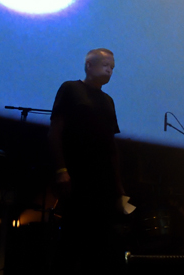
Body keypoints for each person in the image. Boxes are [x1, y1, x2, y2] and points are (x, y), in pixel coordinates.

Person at [48, 48, 126, 274]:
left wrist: (119, 186)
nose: (110, 69)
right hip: (77, 179)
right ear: (89, 66)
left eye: (112, 66)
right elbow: (55, 132)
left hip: (104, 184)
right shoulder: (70, 89)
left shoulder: (108, 101)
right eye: (105, 64)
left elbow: (111, 145)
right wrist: (61, 169)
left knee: (101, 245)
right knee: (71, 243)